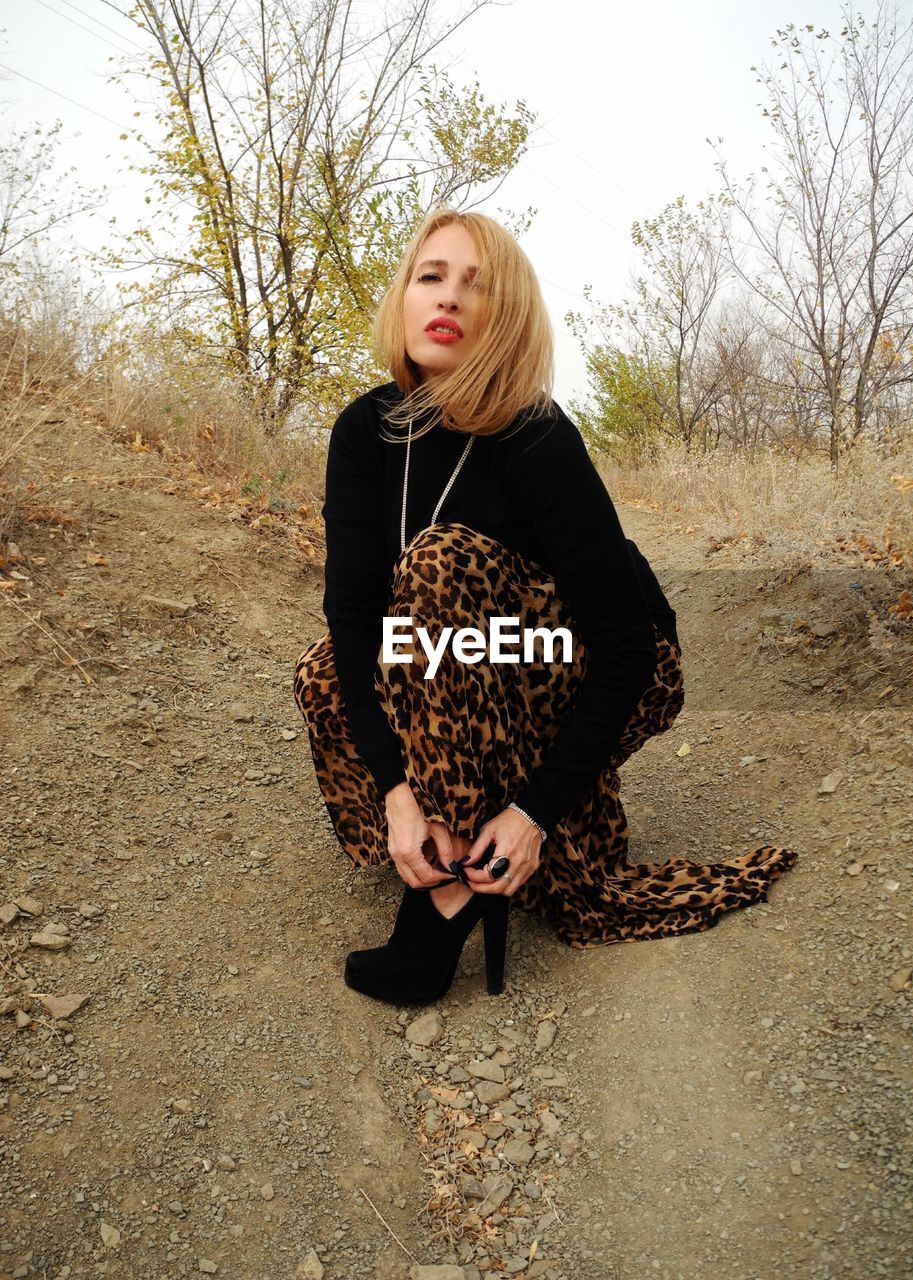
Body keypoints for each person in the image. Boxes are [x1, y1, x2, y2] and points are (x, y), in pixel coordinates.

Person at [293, 206, 798, 1006]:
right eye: (432, 276)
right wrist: (395, 791)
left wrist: (533, 812)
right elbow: (353, 621)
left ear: (506, 318)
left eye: (475, 285)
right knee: (326, 673)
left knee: (438, 563)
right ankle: (439, 843)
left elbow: (630, 649)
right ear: (405, 296)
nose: (449, 298)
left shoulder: (535, 434)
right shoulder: (363, 431)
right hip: (475, 661)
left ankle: (450, 892)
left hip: (604, 665)